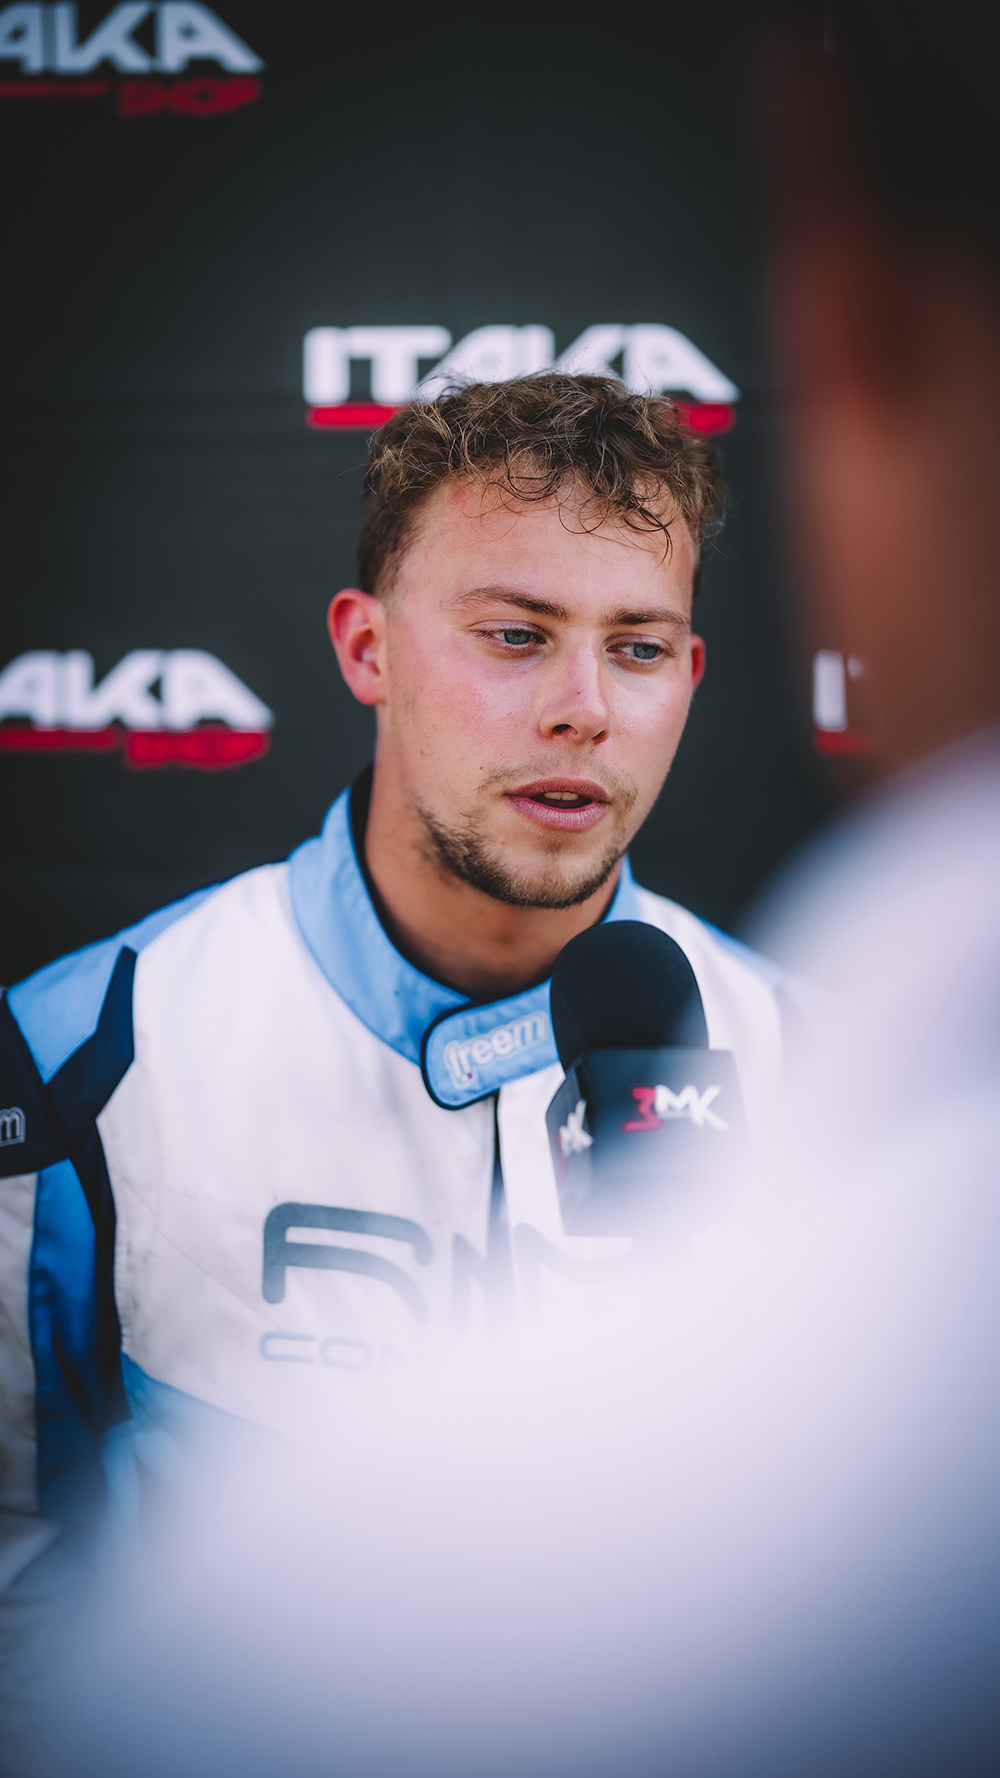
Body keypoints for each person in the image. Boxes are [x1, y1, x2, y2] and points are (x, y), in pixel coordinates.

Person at [0, 374, 786, 1595]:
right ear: (367, 649)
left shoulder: (834, 1067)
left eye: (634, 648)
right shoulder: (84, 1049)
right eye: (515, 634)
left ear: (687, 672)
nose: (584, 710)